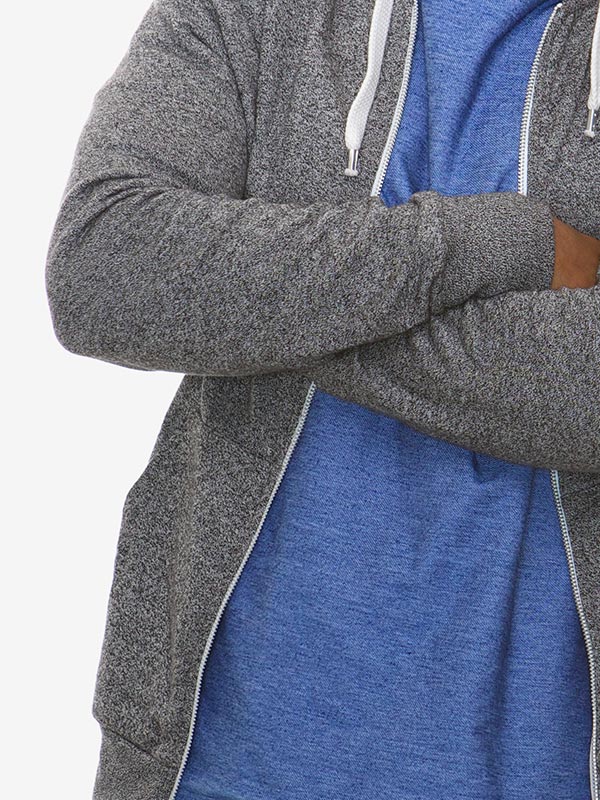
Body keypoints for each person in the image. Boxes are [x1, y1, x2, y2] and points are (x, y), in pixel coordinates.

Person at [45, 0, 600, 798]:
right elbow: (105, 267)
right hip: (211, 759)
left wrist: (261, 302)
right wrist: (495, 244)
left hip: (550, 767)